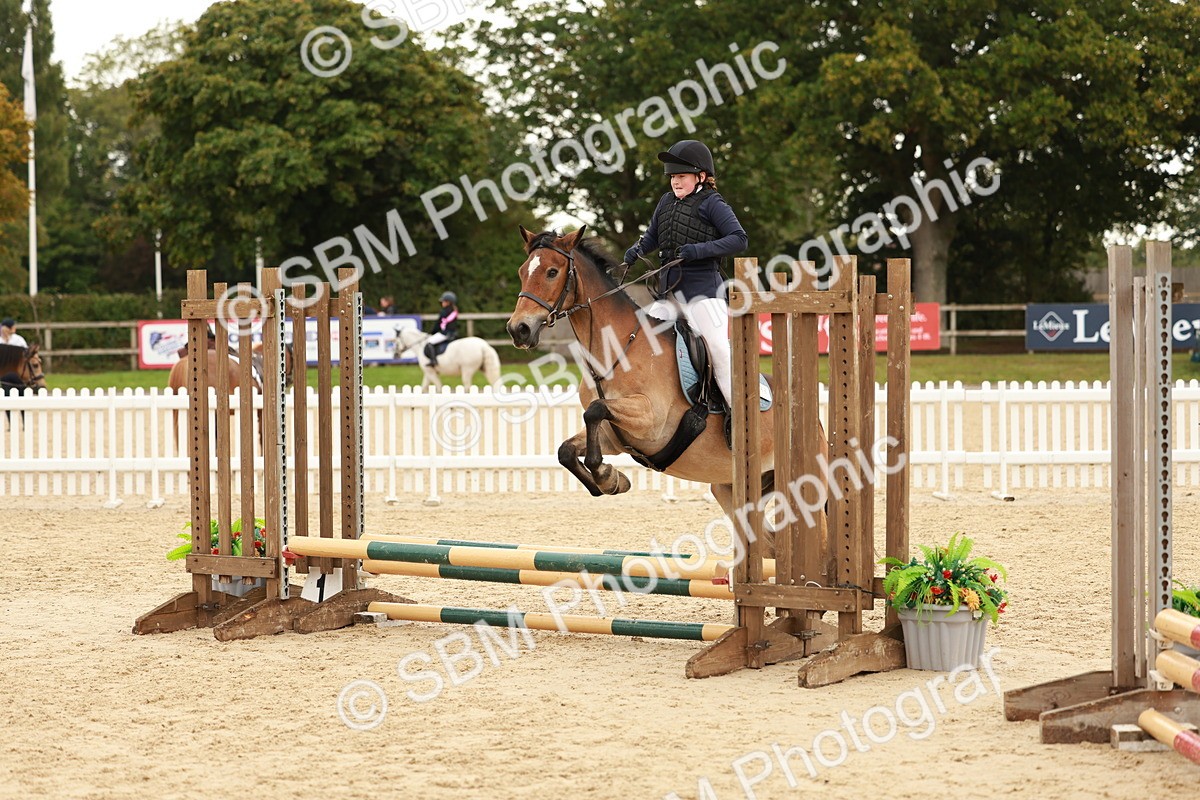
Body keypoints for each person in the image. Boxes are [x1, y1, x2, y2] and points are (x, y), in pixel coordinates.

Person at [623, 139, 747, 407]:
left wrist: (698, 250)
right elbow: (652, 236)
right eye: (672, 177)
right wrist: (636, 250)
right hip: (669, 296)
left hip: (704, 295)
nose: (675, 182)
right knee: (640, 336)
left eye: (681, 176)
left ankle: (740, 415)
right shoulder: (666, 202)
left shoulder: (712, 203)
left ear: (701, 176)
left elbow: (739, 239)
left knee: (718, 351)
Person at [424, 291, 459, 367]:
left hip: (445, 333)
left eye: (443, 301)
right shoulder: (454, 311)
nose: (442, 303)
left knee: (429, 342)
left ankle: (433, 361)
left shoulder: (444, 311)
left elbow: (438, 324)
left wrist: (432, 332)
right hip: (453, 333)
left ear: (448, 302)